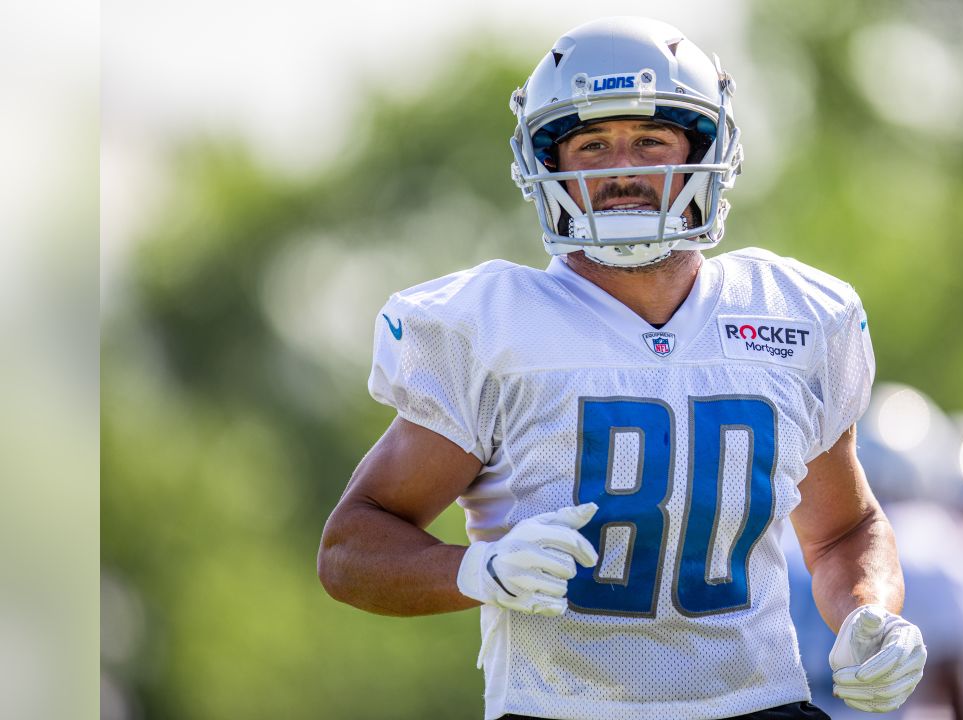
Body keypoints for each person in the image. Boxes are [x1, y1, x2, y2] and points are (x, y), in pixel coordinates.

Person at [317, 16, 925, 720]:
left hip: (760, 703)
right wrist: (474, 570)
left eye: (649, 140)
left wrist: (866, 614)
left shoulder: (792, 315)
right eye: (592, 144)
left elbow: (846, 530)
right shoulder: (494, 328)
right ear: (551, 164)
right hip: (562, 709)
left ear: (704, 150)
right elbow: (351, 548)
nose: (622, 168)